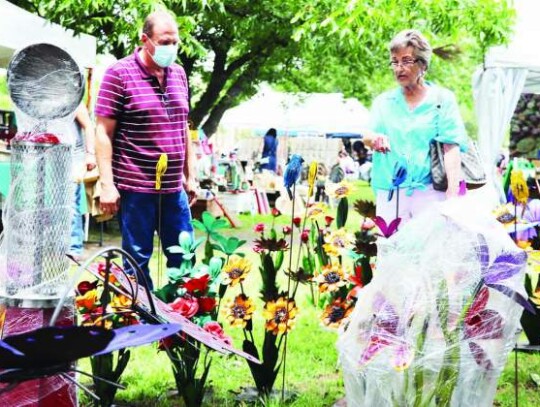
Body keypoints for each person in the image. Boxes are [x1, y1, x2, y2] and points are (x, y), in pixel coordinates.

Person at [95, 10, 197, 289]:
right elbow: (103, 132)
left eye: (175, 42)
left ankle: (184, 325)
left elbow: (182, 126)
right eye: (165, 42)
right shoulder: (119, 73)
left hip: (173, 188)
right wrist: (107, 185)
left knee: (185, 259)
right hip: (136, 188)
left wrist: (191, 174)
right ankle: (141, 325)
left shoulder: (178, 73)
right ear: (145, 40)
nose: (171, 48)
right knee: (136, 262)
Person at [362, 29, 467, 223]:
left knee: (429, 251)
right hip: (390, 193)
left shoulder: (442, 100)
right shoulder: (383, 102)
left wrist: (453, 195)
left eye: (406, 61)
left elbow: (451, 147)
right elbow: (367, 135)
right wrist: (375, 139)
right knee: (392, 250)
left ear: (423, 65)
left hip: (429, 193)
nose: (399, 68)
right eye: (394, 61)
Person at [69, 103, 96, 260]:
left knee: (71, 203)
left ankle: (74, 248)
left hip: (74, 158)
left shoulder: (74, 101)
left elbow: (88, 126)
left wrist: (90, 154)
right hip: (54, 157)